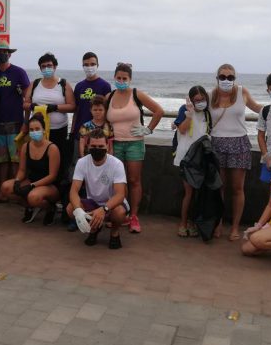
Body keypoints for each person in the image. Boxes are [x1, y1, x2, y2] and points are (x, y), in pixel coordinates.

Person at [105, 62, 164, 234]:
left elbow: (158, 111)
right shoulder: (109, 96)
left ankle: (134, 216)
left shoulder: (137, 94)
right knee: (117, 181)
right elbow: (103, 119)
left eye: (125, 78)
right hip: (115, 143)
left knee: (133, 180)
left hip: (135, 143)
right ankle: (120, 214)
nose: (121, 81)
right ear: (114, 78)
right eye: (118, 78)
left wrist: (149, 129)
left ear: (130, 79)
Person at [209, 63, 262, 241]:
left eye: (230, 77)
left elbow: (258, 109)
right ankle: (218, 223)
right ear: (217, 78)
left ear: (235, 78)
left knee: (237, 188)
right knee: (219, 187)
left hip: (239, 143)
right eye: (222, 77)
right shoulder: (210, 95)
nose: (226, 80)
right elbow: (198, 113)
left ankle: (235, 227)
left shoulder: (241, 92)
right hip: (216, 144)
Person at [22, 52, 76, 224]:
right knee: (37, 166)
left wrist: (55, 107)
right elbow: (25, 103)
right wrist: (32, 107)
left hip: (57, 131)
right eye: (43, 66)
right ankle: (35, 201)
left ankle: (54, 202)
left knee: (58, 170)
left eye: (49, 66)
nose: (47, 69)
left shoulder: (63, 84)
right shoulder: (35, 84)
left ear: (55, 66)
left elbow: (72, 106)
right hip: (37, 132)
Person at [67, 129, 129, 249]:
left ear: (107, 146)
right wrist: (78, 210)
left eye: (101, 146)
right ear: (88, 146)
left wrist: (104, 209)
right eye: (94, 146)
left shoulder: (116, 164)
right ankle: (94, 228)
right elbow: (74, 191)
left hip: (112, 204)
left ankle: (114, 232)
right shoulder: (82, 162)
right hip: (93, 202)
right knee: (71, 208)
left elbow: (120, 195)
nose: (97, 149)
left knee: (119, 212)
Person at [0, 40, 30, 203]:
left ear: (9, 54)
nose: (1, 54)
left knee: (16, 160)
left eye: (4, 52)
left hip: (16, 123)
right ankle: (2, 192)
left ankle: (15, 192)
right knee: (1, 160)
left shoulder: (19, 72)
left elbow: (27, 99)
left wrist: (26, 122)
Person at [0, 114, 60, 225]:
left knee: (33, 197)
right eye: (31, 130)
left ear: (44, 129)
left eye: (37, 129)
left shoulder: (52, 148)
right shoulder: (25, 147)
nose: (34, 132)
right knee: (6, 188)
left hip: (49, 185)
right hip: (31, 180)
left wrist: (32, 186)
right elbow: (22, 170)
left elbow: (52, 176)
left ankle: (50, 208)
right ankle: (29, 207)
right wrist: (17, 181)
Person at [172, 86, 212, 238]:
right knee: (189, 192)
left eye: (203, 99)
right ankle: (183, 223)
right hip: (186, 157)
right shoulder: (185, 109)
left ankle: (193, 223)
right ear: (191, 100)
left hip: (201, 157)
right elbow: (182, 130)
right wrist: (189, 115)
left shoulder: (207, 113)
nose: (200, 102)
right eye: (197, 100)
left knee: (199, 193)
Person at [72, 51, 111, 150]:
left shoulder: (105, 86)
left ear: (98, 65)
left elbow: (107, 110)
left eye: (92, 64)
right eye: (86, 65)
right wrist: (72, 131)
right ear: (83, 66)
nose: (89, 67)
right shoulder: (79, 86)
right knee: (80, 158)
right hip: (80, 133)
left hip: (99, 136)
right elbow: (76, 110)